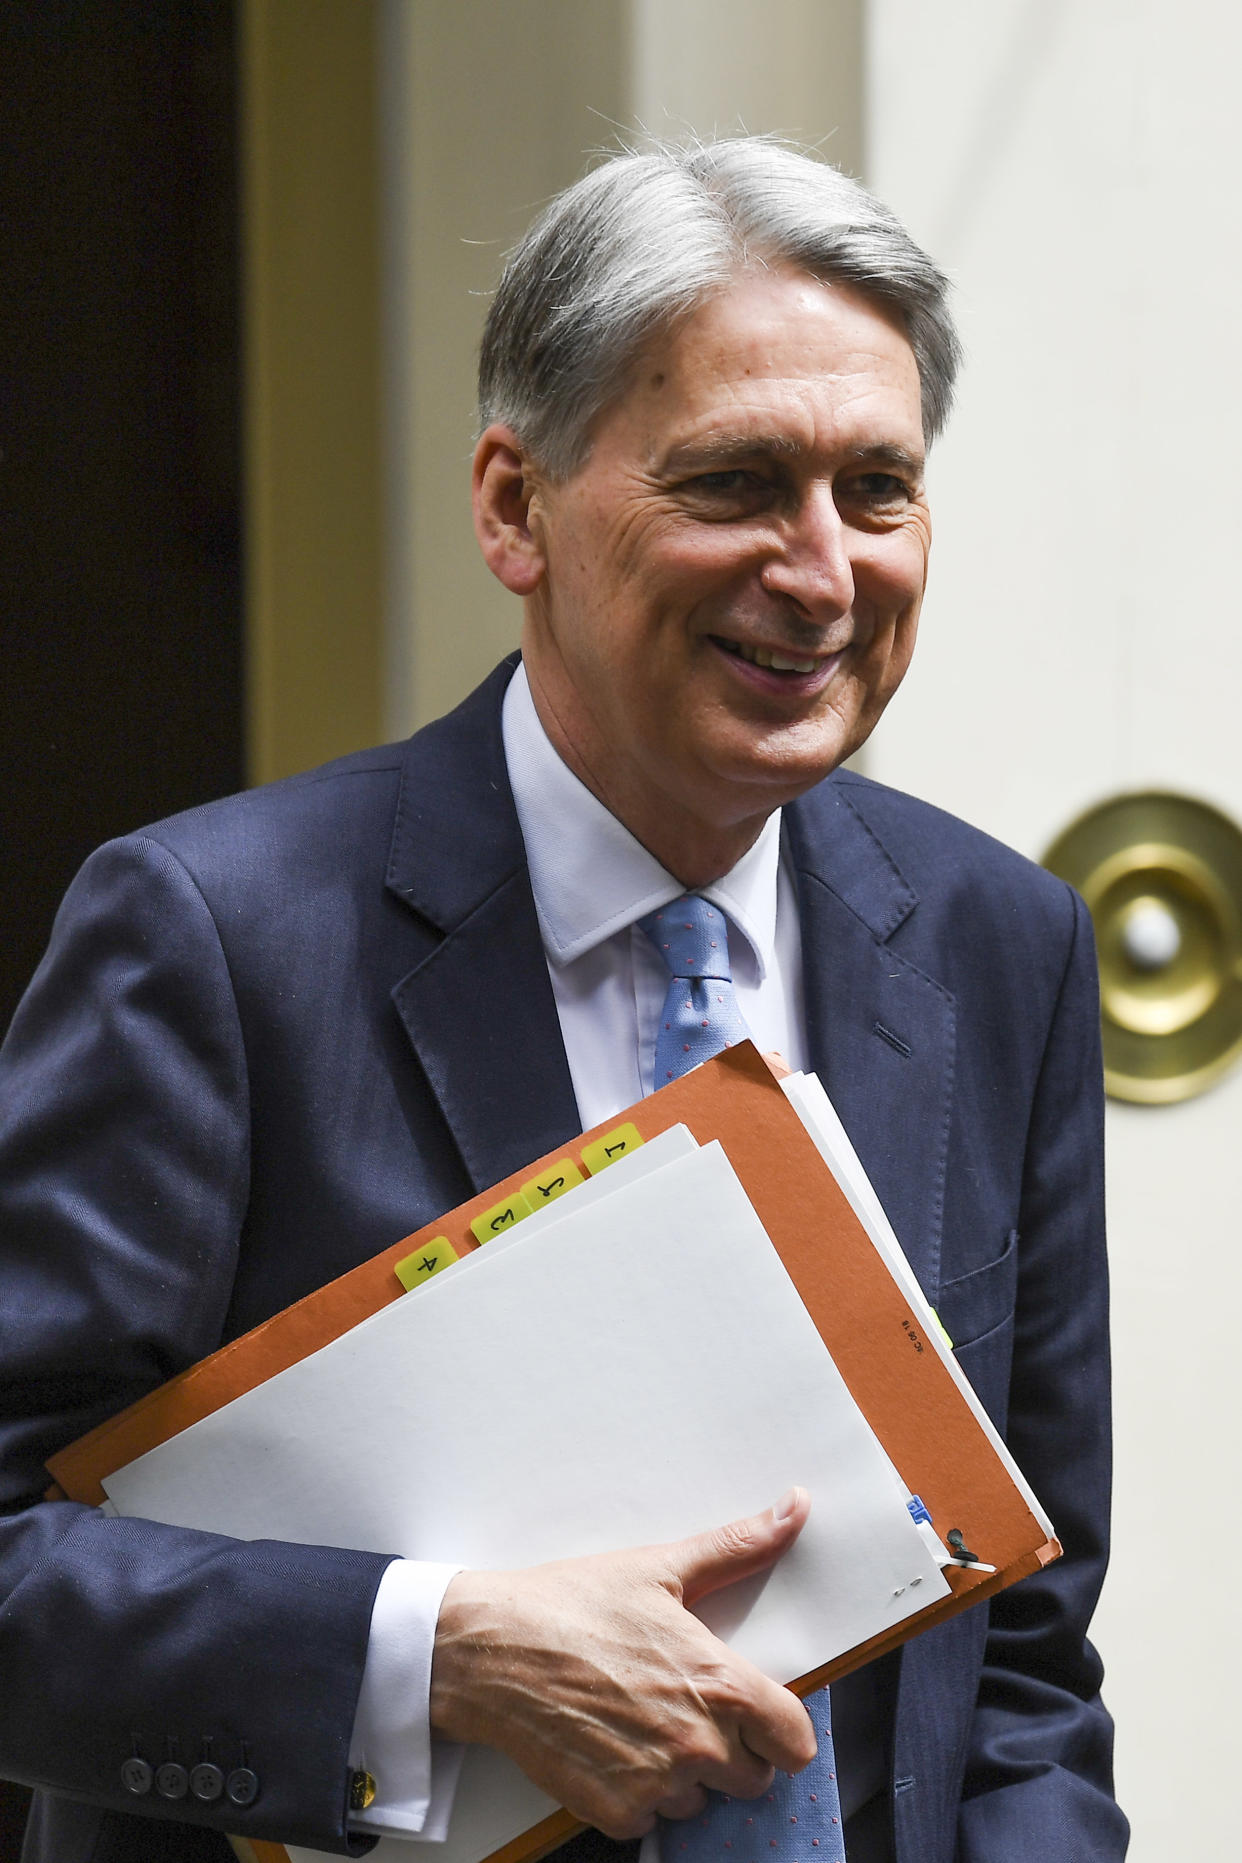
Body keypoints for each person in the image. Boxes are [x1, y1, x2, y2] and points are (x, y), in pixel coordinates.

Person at [0, 139, 1127, 1863]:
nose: (822, 573)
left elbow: (1024, 1654)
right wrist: (435, 1654)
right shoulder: (212, 939)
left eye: (875, 490)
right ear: (513, 508)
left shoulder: (1000, 942)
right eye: (737, 483)